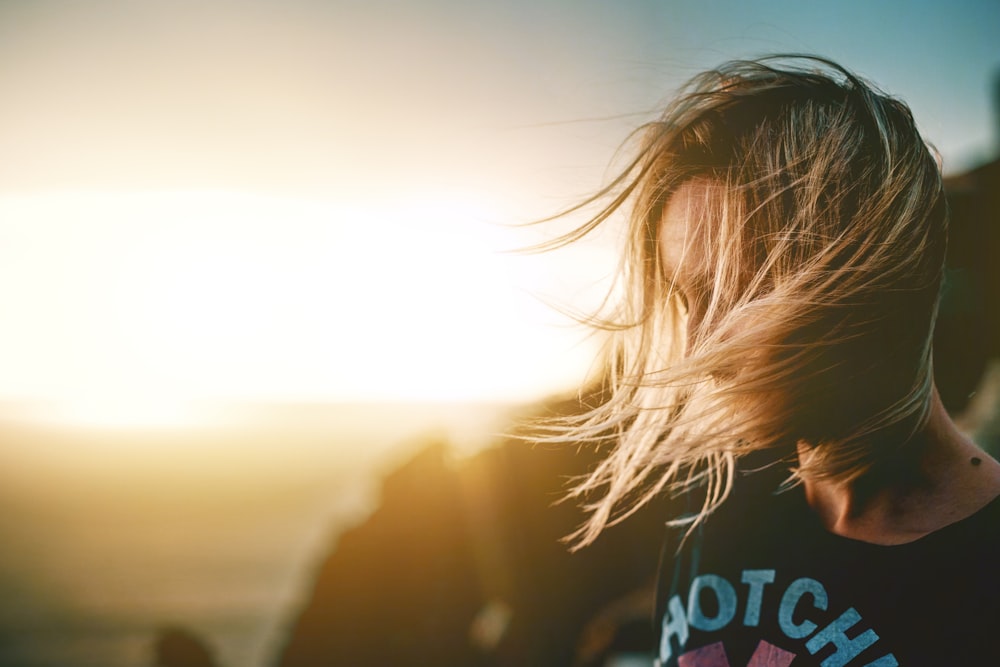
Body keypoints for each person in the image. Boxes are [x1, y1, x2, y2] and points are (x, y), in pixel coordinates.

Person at [544, 56, 1000, 666]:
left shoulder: (980, 575)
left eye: (735, 298)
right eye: (689, 300)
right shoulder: (718, 493)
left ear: (865, 281)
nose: (699, 350)